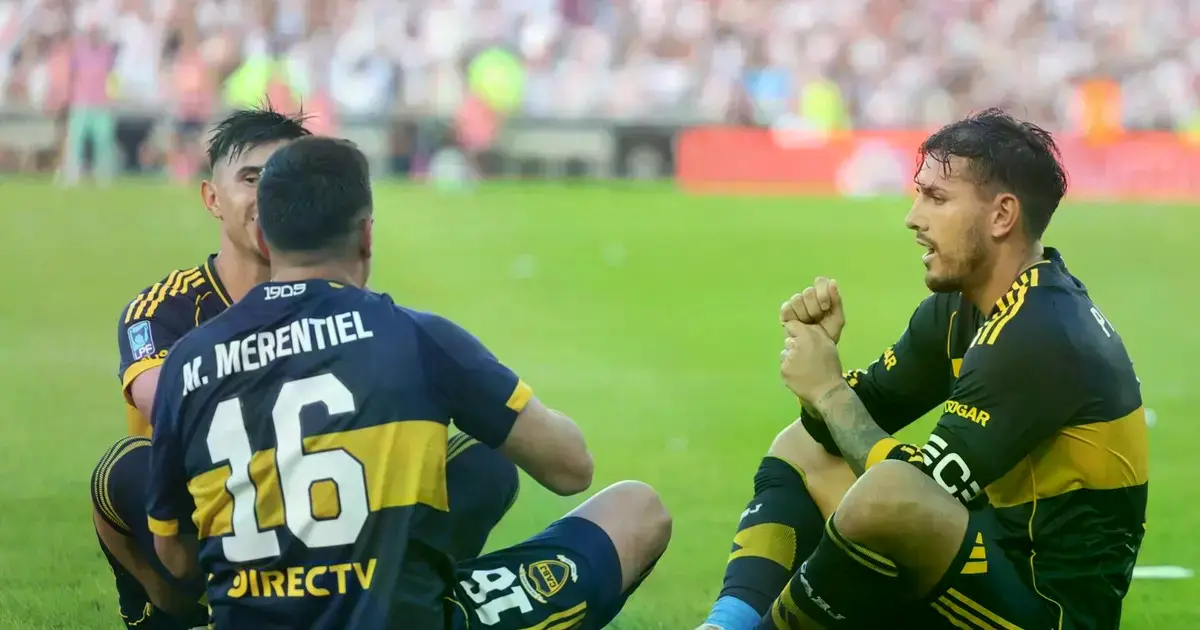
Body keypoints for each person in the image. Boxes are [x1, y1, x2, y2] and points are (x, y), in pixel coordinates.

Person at [143, 136, 671, 628]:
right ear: (367, 235)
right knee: (636, 509)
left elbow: (175, 553)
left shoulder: (188, 360)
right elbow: (571, 467)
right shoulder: (416, 336)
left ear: (262, 234)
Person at [701, 109, 1147, 630]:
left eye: (936, 198)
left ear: (1002, 216)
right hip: (987, 567)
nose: (913, 217)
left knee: (889, 492)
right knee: (801, 446)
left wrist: (827, 390)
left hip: (1047, 611)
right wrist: (821, 382)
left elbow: (907, 492)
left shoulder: (1041, 331)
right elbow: (843, 426)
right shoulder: (960, 307)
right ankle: (726, 624)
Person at [89, 109, 518, 629]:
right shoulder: (165, 308)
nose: (267, 193)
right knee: (121, 469)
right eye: (250, 178)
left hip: (339, 511)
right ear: (211, 198)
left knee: (484, 460)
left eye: (279, 177)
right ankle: (171, 613)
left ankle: (412, 590)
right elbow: (166, 400)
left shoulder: (344, 304)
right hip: (218, 514)